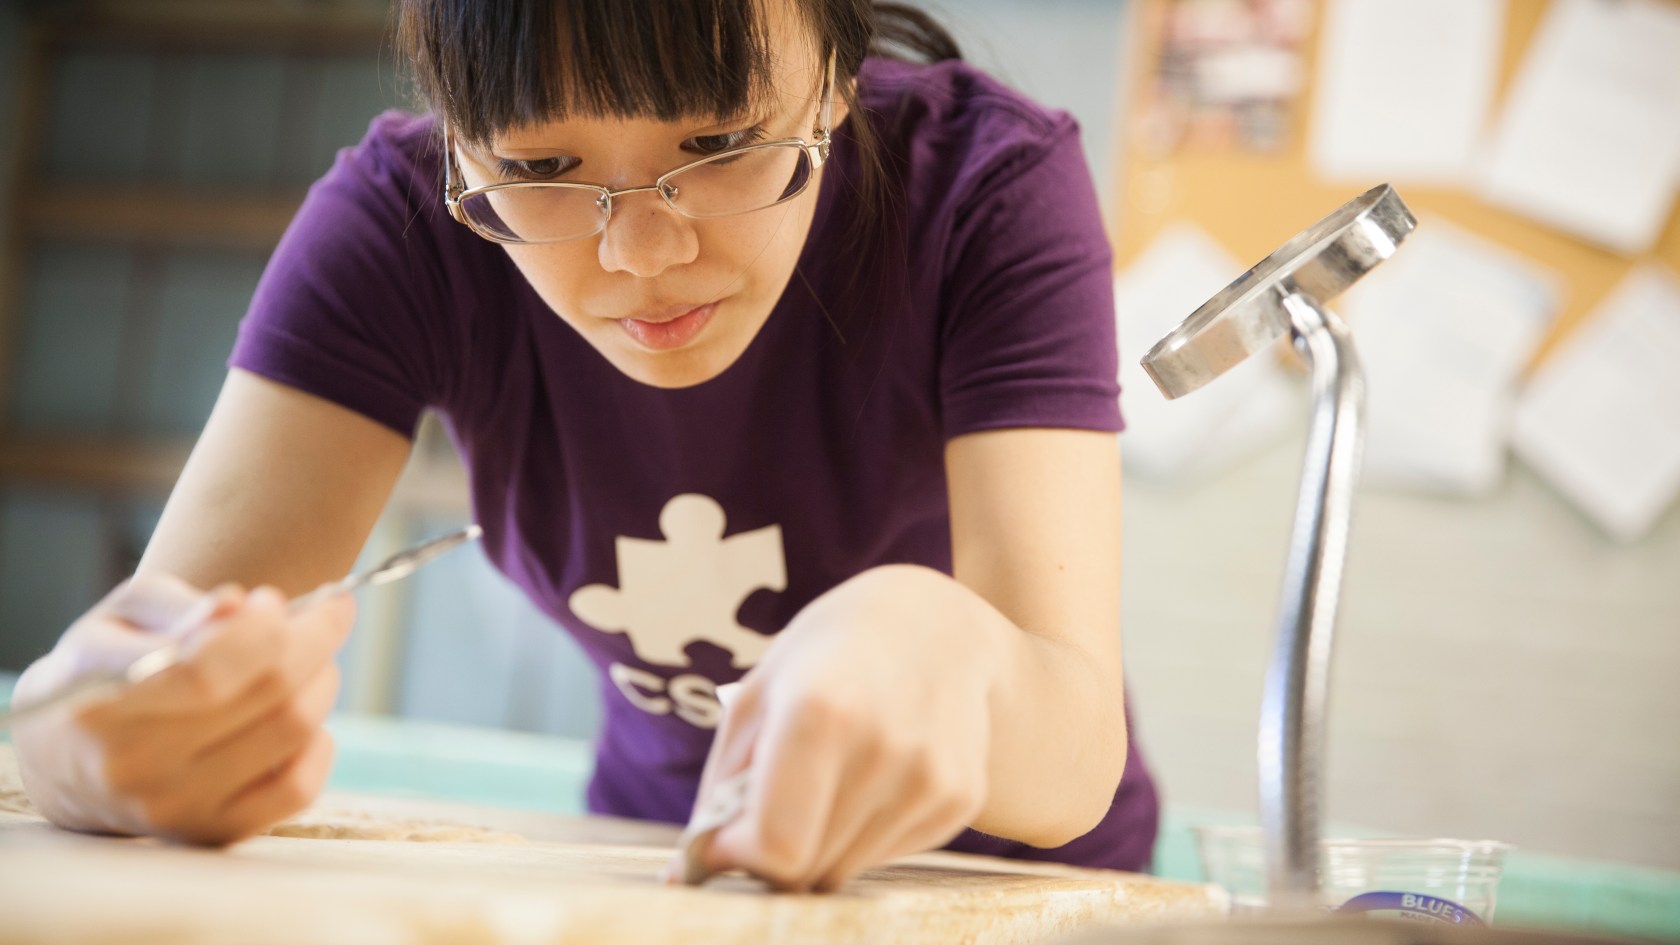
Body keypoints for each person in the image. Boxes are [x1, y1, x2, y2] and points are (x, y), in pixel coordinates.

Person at [11, 0, 1158, 892]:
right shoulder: (399, 229)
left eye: (722, 140)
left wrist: (939, 640)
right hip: (665, 868)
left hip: (1021, 884)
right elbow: (149, 648)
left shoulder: (985, 190)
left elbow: (1068, 754)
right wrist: (85, 744)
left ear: (838, 76)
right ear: (460, 150)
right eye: (542, 173)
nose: (642, 253)